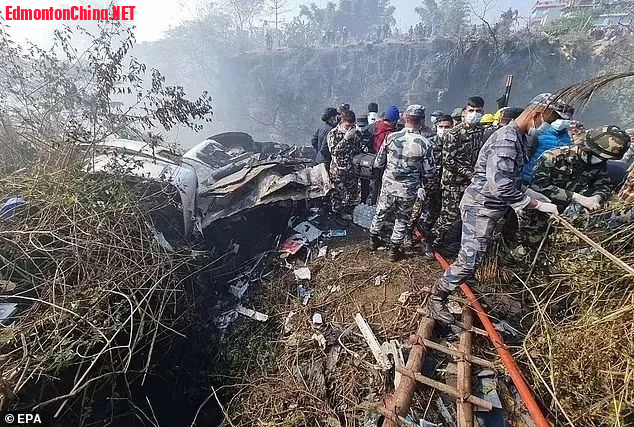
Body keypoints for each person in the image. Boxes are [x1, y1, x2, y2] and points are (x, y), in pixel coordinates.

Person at [428, 94, 565, 323]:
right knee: (470, 259)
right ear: (536, 115)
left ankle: (462, 278)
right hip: (480, 206)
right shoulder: (507, 141)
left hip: (489, 206)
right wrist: (536, 204)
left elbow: (512, 179)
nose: (546, 127)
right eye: (547, 121)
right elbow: (500, 185)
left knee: (474, 255)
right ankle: (437, 297)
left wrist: (534, 194)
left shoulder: (518, 137)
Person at [519, 125, 630, 245]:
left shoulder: (599, 164)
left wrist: (596, 197)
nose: (599, 160)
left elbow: (603, 185)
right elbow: (537, 186)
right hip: (538, 213)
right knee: (530, 243)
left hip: (566, 217)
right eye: (597, 156)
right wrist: (575, 197)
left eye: (603, 159)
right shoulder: (553, 157)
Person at [370, 105, 436, 261]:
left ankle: (373, 240)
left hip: (389, 185)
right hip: (408, 189)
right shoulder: (425, 143)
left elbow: (378, 162)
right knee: (402, 218)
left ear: (405, 118)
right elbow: (430, 172)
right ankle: (394, 251)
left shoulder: (391, 137)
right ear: (422, 120)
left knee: (381, 212)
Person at [432, 96, 486, 256]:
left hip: (470, 183)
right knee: (449, 216)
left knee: (466, 216)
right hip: (453, 183)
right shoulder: (454, 133)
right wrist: (470, 174)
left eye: (478, 111)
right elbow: (448, 161)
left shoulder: (480, 131)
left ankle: (452, 243)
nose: (474, 114)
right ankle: (432, 241)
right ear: (464, 112)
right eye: (471, 110)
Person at [411, 114, 453, 257]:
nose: (444, 130)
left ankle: (431, 241)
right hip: (427, 184)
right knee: (416, 212)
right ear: (436, 127)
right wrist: (419, 185)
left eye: (447, 127)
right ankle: (407, 233)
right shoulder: (429, 143)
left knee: (437, 214)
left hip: (445, 186)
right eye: (441, 127)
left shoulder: (455, 143)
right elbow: (418, 165)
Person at [522, 103, 574, 183]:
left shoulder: (568, 138)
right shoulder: (539, 131)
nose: (561, 120)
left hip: (545, 180)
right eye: (559, 117)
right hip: (526, 177)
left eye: (566, 118)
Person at [328, 110, 362, 217]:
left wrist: (355, 136)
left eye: (352, 126)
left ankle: (349, 213)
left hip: (351, 170)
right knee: (337, 195)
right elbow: (334, 151)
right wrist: (345, 139)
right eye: (347, 126)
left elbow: (358, 149)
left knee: (353, 195)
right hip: (337, 171)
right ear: (341, 122)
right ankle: (336, 216)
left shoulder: (355, 133)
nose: (349, 128)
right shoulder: (333, 133)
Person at [356, 114, 375, 203]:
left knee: (365, 184)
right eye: (359, 126)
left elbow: (374, 149)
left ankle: (363, 201)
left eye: (363, 126)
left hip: (364, 164)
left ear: (367, 125)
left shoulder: (371, 135)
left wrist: (369, 150)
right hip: (354, 163)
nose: (361, 128)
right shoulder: (353, 134)